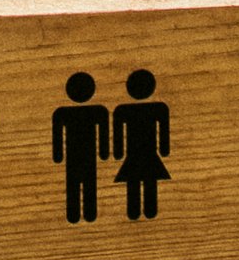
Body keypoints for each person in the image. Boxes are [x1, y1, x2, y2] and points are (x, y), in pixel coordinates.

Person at [112, 67, 170, 219]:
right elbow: (163, 133)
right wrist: (164, 150)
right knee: (144, 182)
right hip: (145, 154)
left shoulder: (124, 110)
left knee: (138, 183)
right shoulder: (157, 108)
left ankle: (139, 212)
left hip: (138, 155)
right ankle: (141, 212)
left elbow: (118, 135)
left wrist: (118, 153)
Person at [51, 68, 108, 221]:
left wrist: (58, 156)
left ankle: (83, 214)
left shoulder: (97, 111)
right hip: (81, 157)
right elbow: (57, 135)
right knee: (79, 185)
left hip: (81, 157)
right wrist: (104, 153)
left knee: (82, 185)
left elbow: (103, 133)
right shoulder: (64, 113)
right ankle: (79, 215)